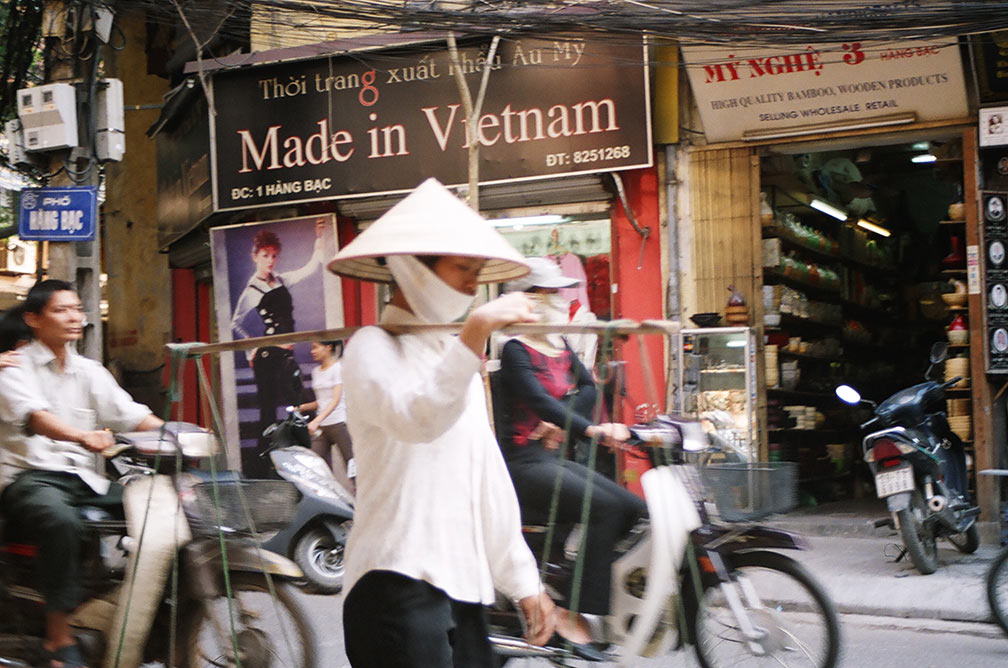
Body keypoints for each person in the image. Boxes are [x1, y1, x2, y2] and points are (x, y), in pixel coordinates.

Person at [329, 178, 596, 668]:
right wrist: (475, 332)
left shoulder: (456, 361)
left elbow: (486, 479)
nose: (473, 286)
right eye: (461, 269)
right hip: (394, 584)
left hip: (464, 588)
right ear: (414, 269)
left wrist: (524, 582)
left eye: (477, 272)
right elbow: (418, 418)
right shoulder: (371, 346)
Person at [0, 280, 164, 668]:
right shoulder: (13, 367)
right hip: (29, 477)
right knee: (60, 521)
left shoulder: (89, 371)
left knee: (157, 508)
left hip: (79, 479)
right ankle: (58, 637)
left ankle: (126, 608)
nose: (74, 316)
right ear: (33, 320)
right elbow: (36, 417)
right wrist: (81, 435)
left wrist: (176, 434)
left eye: (77, 308)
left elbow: (132, 413)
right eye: (61, 310)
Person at [495, 256, 648, 627]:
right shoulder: (513, 346)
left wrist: (561, 425)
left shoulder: (557, 341)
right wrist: (590, 430)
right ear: (526, 297)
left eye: (558, 292)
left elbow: (587, 388)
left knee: (631, 506)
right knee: (605, 508)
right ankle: (579, 611)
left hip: (548, 457)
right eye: (549, 293)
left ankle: (575, 576)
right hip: (519, 463)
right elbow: (539, 400)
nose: (559, 299)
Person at [230, 219, 325, 475]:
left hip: (284, 354)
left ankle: (290, 463)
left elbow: (311, 268)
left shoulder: (281, 279)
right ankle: (261, 470)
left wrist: (318, 239)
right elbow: (236, 323)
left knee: (294, 407)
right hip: (268, 356)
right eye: (265, 255)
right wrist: (253, 349)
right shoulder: (252, 289)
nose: (270, 260)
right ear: (255, 256)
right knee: (269, 412)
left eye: (274, 255)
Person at [298, 339, 354, 493]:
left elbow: (335, 400)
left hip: (339, 423)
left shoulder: (337, 369)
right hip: (322, 427)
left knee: (352, 465)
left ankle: (363, 498)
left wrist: (316, 421)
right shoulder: (316, 372)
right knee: (313, 465)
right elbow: (322, 401)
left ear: (328, 348)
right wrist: (303, 407)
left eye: (316, 347)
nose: (312, 351)